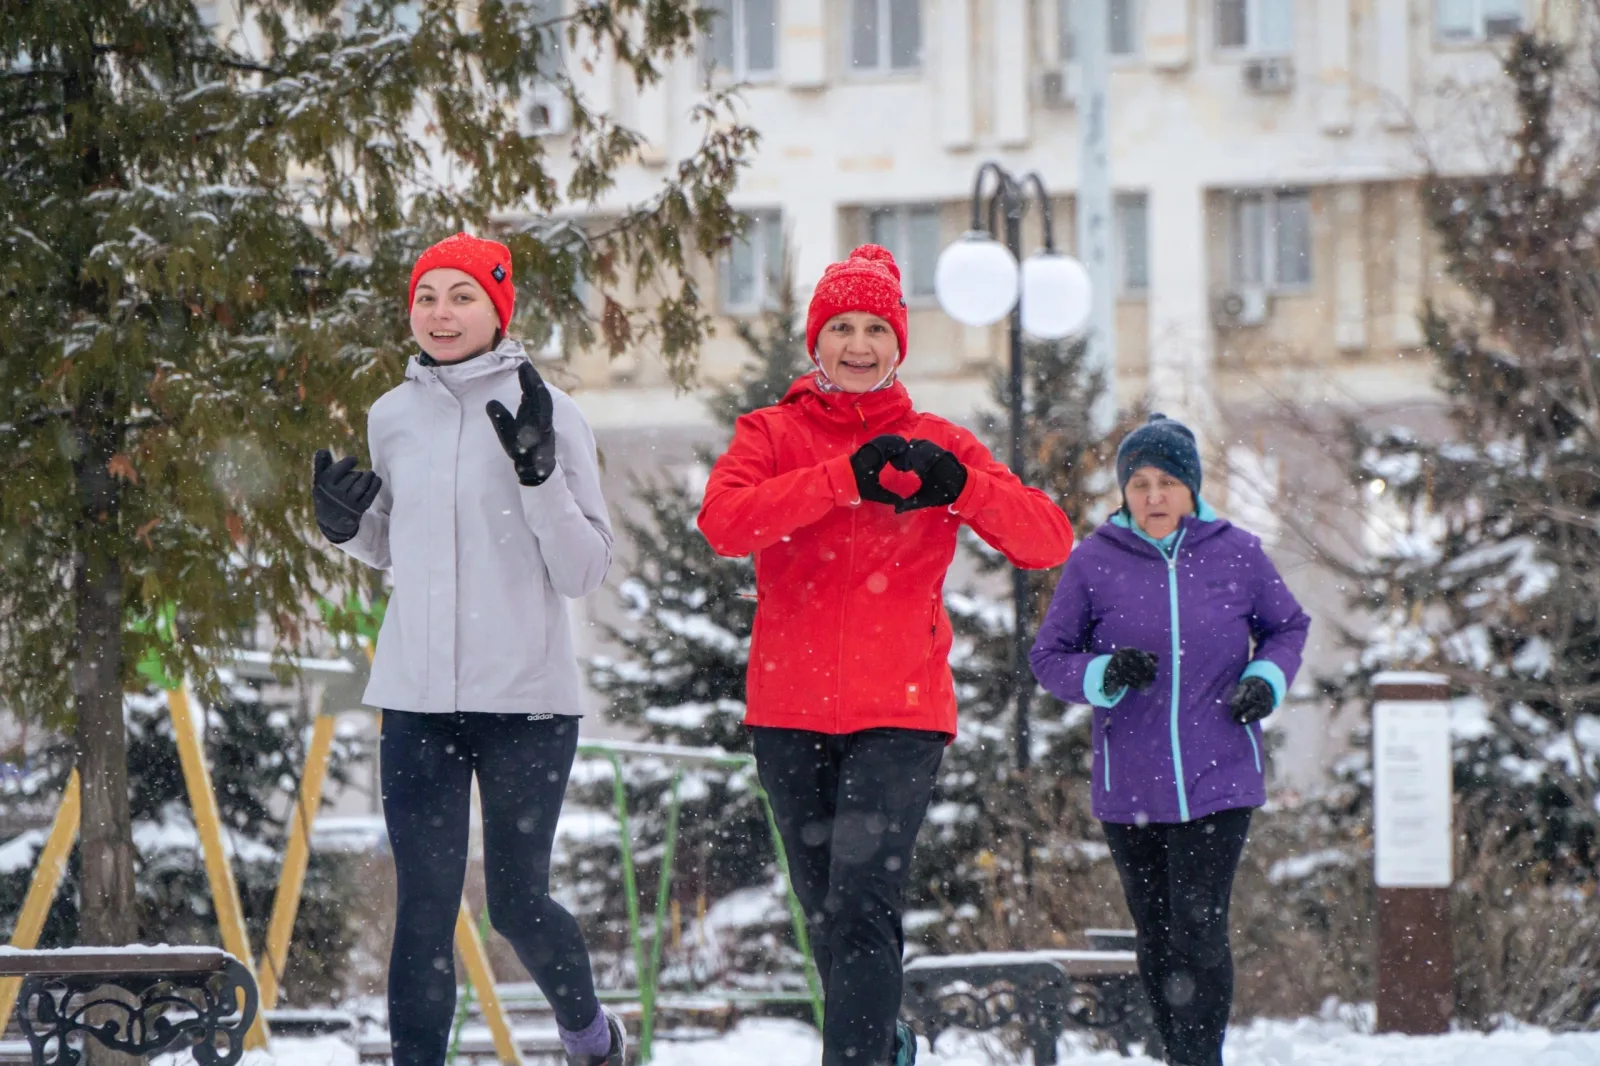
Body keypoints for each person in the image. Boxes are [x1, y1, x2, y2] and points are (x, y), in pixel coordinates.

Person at [697, 245, 1076, 1066]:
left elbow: (1048, 540)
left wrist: (961, 487)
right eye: (841, 327)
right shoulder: (771, 433)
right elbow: (724, 524)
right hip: (788, 712)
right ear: (816, 342)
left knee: (864, 900)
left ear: (899, 342)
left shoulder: (937, 443)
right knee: (827, 911)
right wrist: (842, 477)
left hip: (901, 713)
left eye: (876, 328)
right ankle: (885, 1041)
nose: (858, 344)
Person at [310, 232, 625, 1066]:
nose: (440, 313)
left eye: (461, 296)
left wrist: (539, 478)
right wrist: (346, 528)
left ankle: (590, 1037)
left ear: (498, 308)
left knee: (519, 905)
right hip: (416, 699)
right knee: (424, 906)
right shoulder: (391, 415)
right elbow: (396, 545)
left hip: (527, 702)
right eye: (427, 297)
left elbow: (585, 567)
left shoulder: (552, 414)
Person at [1028, 414, 1311, 1066]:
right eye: (1140, 483)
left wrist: (1265, 680)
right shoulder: (1095, 560)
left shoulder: (1236, 551)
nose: (1153, 496)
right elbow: (1049, 657)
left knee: (1199, 924)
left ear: (1192, 488)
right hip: (1132, 783)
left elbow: (1287, 628)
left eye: (1167, 482)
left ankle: (1198, 1058)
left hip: (1221, 775)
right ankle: (1177, 1054)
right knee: (1156, 935)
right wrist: (1101, 674)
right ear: (1125, 490)